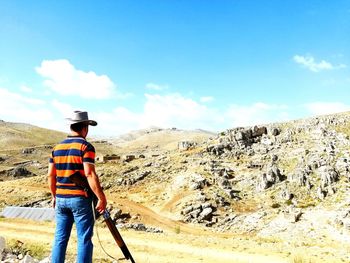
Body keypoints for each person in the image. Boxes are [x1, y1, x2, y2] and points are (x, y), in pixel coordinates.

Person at [48, 110, 107, 263]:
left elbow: (50, 175)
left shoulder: (56, 148)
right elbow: (89, 174)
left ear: (72, 126)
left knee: (60, 238)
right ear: (85, 128)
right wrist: (101, 197)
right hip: (80, 199)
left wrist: (54, 195)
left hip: (60, 199)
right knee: (84, 239)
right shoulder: (86, 147)